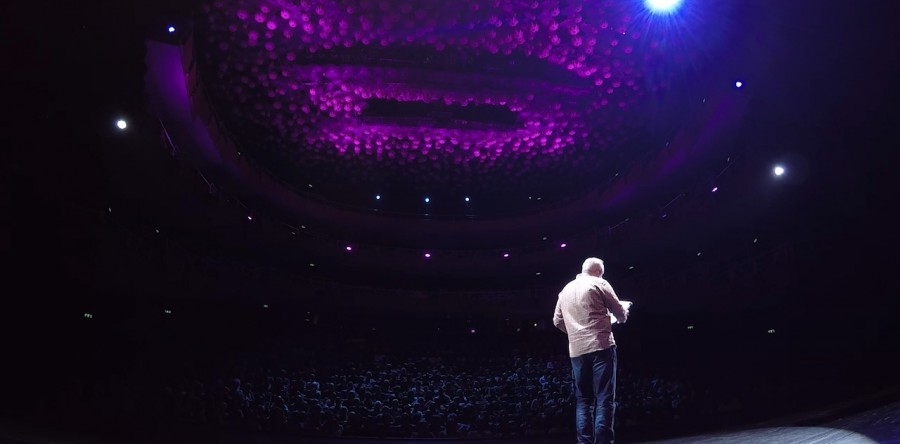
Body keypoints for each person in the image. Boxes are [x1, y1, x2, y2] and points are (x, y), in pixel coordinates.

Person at [553, 257, 631, 444]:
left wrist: (575, 333)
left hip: (577, 352)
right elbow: (619, 313)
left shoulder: (564, 290)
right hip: (601, 346)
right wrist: (624, 314)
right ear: (598, 271)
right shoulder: (599, 283)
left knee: (583, 401)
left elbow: (557, 321)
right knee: (604, 399)